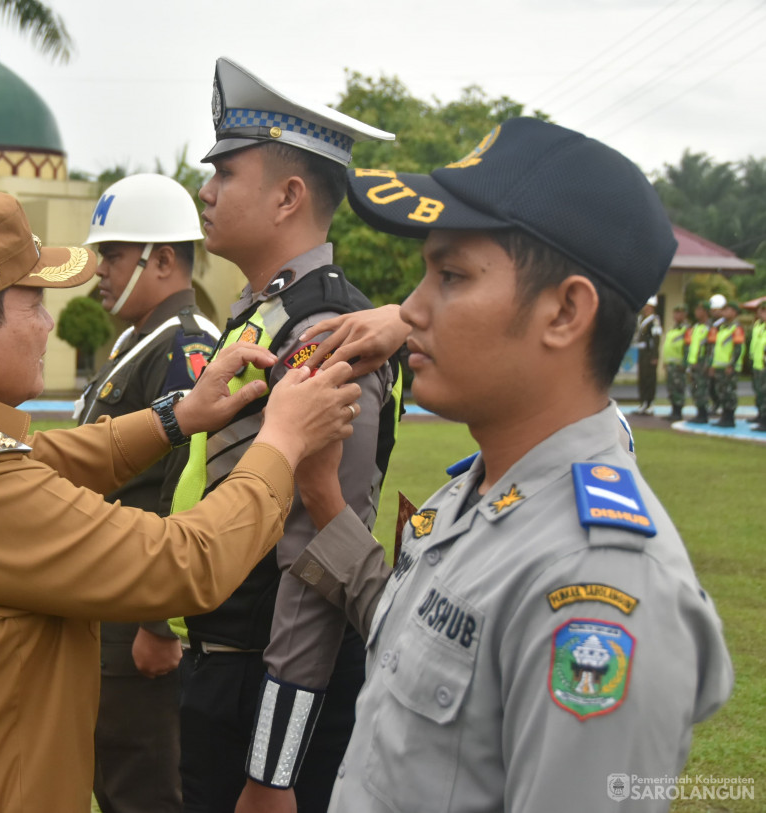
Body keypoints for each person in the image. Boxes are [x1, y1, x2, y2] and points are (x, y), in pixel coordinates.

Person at [0, 192, 364, 813]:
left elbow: (29, 460)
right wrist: (282, 441)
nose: (49, 324)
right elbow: (182, 563)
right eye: (34, 304)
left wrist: (177, 416)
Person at [289, 117, 733, 812]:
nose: (409, 308)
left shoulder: (597, 583)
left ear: (564, 312)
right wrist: (321, 491)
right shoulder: (481, 487)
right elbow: (414, 638)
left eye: (452, 275)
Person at [172, 56, 401, 813]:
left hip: (264, 692)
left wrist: (272, 770)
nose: (204, 191)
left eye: (224, 173)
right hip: (221, 668)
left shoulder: (325, 332)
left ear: (288, 196)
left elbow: (314, 562)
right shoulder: (268, 312)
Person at [78, 174, 219, 813]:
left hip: (140, 608)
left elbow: (186, 485)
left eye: (112, 254)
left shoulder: (186, 346)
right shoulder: (140, 341)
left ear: (162, 259)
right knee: (112, 775)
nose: (98, 269)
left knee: (143, 785)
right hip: (110, 597)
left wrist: (159, 621)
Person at [706, 294, 744, 427]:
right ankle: (724, 417)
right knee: (722, 392)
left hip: (728, 367)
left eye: (727, 310)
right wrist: (713, 364)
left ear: (734, 312)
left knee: (729, 393)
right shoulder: (722, 328)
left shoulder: (736, 327)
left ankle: (729, 418)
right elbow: (716, 349)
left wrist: (731, 364)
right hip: (720, 366)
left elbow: (737, 349)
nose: (724, 312)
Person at [632, 295, 661, 414]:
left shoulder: (654, 321)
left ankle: (650, 403)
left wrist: (655, 356)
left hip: (650, 353)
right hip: (642, 353)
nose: (645, 308)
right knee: (642, 378)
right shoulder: (641, 319)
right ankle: (643, 402)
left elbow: (656, 339)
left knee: (650, 378)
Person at [686, 299, 713, 423]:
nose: (697, 312)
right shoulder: (696, 327)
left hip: (702, 363)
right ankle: (699, 412)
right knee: (695, 389)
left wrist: (707, 364)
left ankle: (703, 414)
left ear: (706, 312)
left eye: (700, 310)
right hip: (693, 362)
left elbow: (711, 348)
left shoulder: (710, 327)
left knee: (702, 388)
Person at [661, 304, 689, 421]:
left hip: (678, 365)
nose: (677, 315)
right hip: (670, 364)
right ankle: (673, 410)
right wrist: (665, 361)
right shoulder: (673, 329)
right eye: (675, 313)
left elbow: (688, 348)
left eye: (680, 313)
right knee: (671, 388)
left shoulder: (686, 329)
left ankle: (678, 411)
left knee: (678, 388)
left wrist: (685, 364)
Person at [750, 300, 766, 429]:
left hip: (764, 365)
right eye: (761, 310)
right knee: (759, 392)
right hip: (758, 363)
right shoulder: (758, 325)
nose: (762, 313)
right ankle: (761, 415)